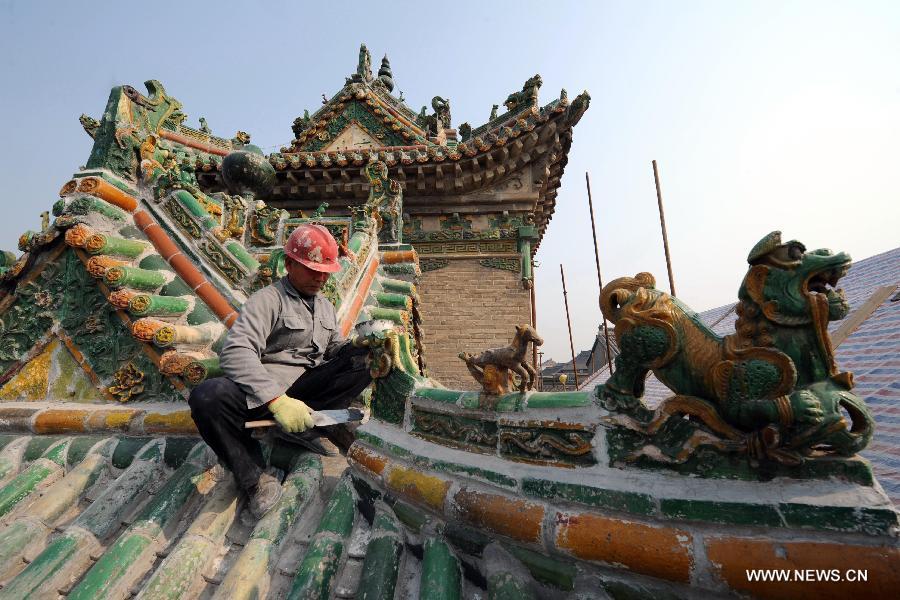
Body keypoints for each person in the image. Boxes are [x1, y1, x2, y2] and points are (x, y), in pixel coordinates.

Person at [189, 224, 371, 518]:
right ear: (289, 264)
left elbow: (334, 348)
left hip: (308, 391)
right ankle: (254, 480)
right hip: (268, 397)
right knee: (208, 396)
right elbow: (236, 352)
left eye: (325, 272)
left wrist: (362, 345)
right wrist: (276, 399)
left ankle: (320, 424)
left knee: (367, 358)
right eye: (312, 270)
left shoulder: (325, 306)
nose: (320, 278)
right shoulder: (268, 300)